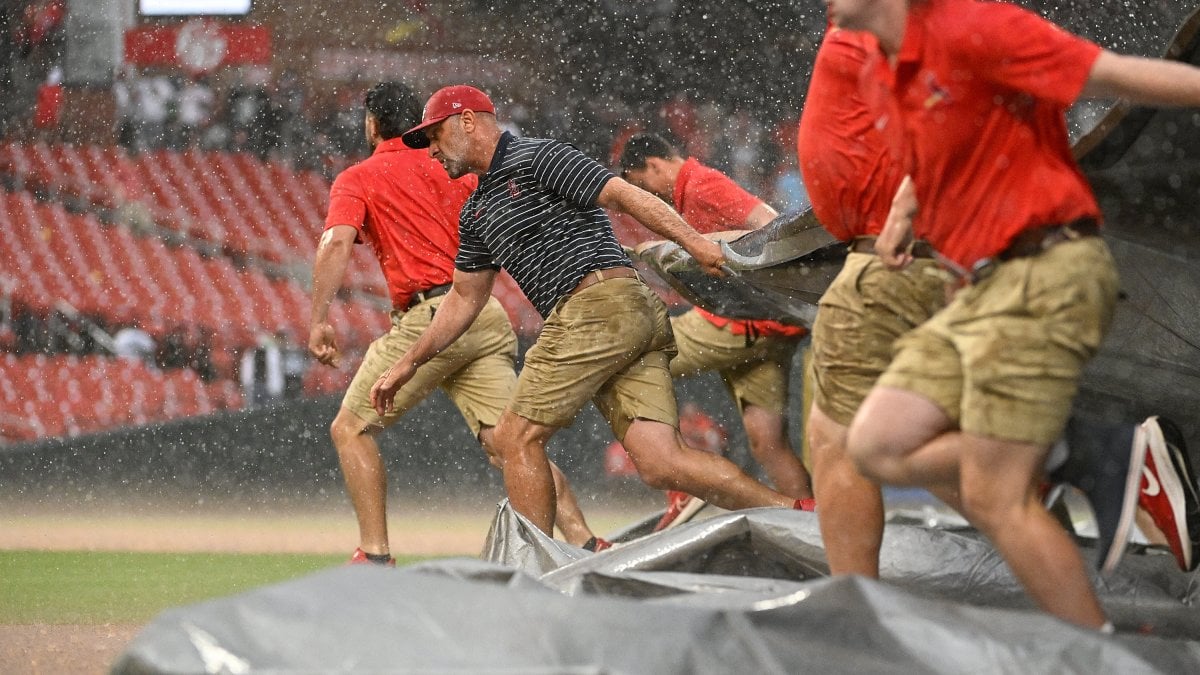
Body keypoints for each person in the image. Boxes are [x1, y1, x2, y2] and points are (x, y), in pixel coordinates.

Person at [828, 0, 1200, 630]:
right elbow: (944, 158)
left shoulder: (974, 27)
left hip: (1047, 270)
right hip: (974, 287)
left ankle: (1099, 656)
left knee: (993, 495)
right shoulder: (877, 72)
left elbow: (1112, 74)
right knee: (875, 444)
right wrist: (906, 220)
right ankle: (1079, 450)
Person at [372, 85, 811, 539]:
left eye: (436, 135)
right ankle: (800, 512)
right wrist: (409, 361)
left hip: (595, 309)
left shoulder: (538, 156)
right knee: (663, 463)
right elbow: (464, 298)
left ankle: (531, 574)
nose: (433, 150)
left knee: (514, 439)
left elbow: (622, 195)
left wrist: (695, 242)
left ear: (467, 122)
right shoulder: (477, 212)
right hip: (626, 316)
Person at [309, 81, 597, 564]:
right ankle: (585, 540)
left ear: (373, 123)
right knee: (513, 443)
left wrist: (319, 319)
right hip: (484, 315)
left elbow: (337, 243)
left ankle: (375, 556)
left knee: (350, 429)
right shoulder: (454, 165)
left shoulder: (359, 177)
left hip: (431, 316)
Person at [796, 24, 948, 578]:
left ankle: (853, 608)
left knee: (837, 441)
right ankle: (1091, 460)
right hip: (933, 257)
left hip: (892, 260)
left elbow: (949, 113)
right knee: (932, 434)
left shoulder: (887, 26)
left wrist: (904, 211)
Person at [618, 132, 814, 526]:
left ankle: (680, 481)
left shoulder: (703, 183)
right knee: (767, 441)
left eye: (643, 184)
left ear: (655, 165)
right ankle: (814, 530)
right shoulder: (692, 189)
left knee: (631, 367)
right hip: (766, 331)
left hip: (736, 324)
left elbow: (771, 228)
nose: (647, 195)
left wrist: (708, 247)